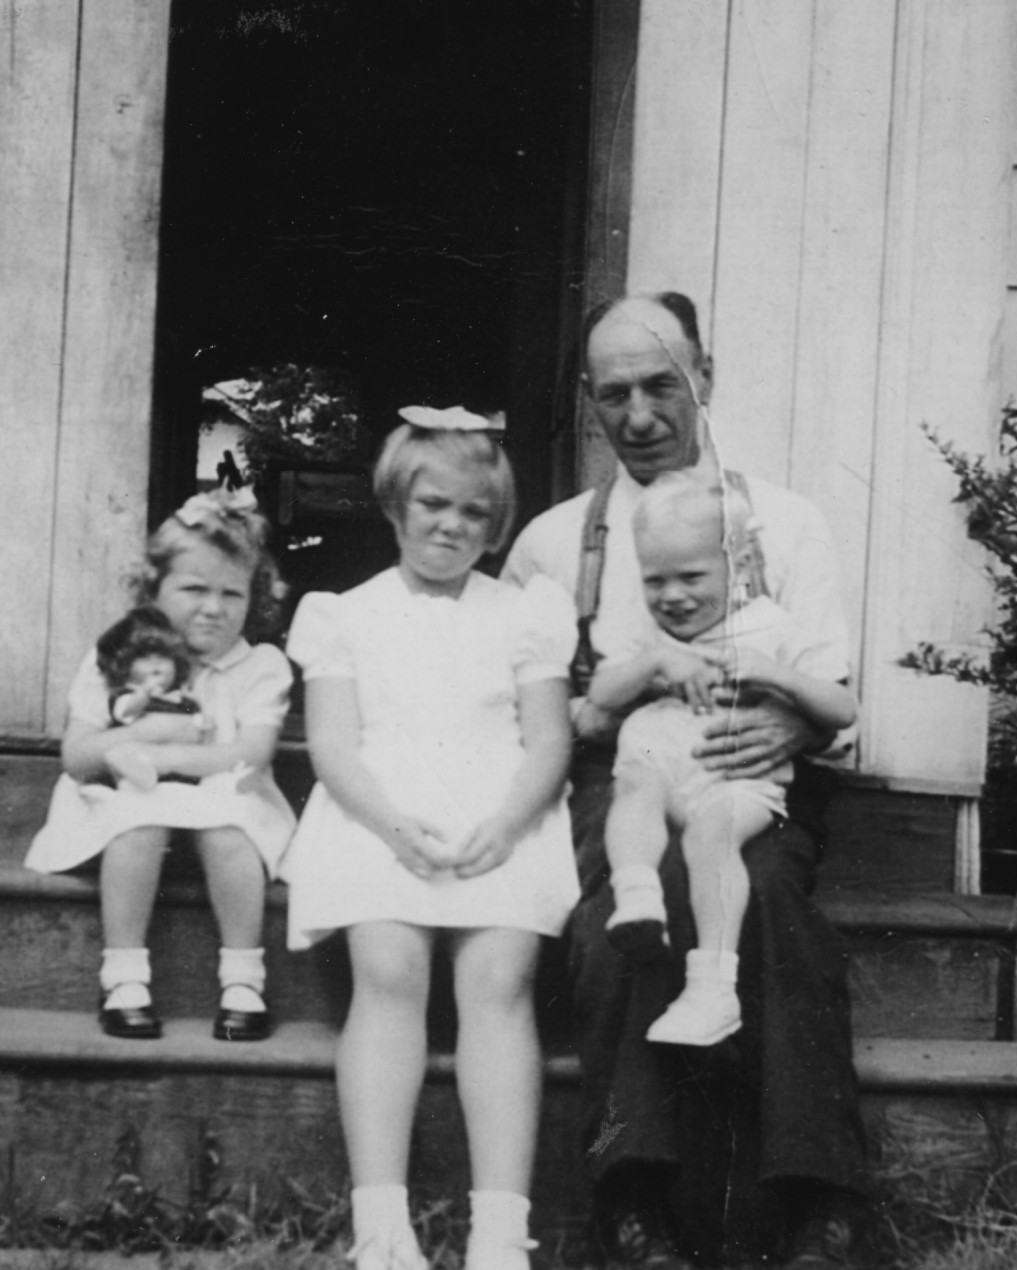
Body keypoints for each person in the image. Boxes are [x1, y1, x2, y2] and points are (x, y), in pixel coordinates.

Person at [502, 293, 868, 1270]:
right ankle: (635, 1201)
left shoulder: (783, 522)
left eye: (661, 383)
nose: (639, 412)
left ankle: (817, 1203)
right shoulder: (551, 543)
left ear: (702, 376)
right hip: (614, 771)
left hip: (752, 764)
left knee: (775, 893)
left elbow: (834, 687)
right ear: (588, 402)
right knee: (633, 901)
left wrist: (783, 715)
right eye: (612, 393)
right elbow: (514, 708)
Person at [283, 406, 578, 1270]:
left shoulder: (526, 614)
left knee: (498, 977)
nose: (451, 525)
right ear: (394, 506)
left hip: (501, 804)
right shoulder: (344, 614)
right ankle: (381, 1226)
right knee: (389, 970)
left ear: (496, 528)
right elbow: (333, 744)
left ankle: (499, 1229)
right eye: (433, 505)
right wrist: (392, 826)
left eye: (474, 514)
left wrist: (508, 825)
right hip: (380, 808)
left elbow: (550, 740)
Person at [588, 470, 858, 1048]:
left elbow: (841, 708)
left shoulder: (771, 629)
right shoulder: (649, 635)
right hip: (659, 772)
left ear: (736, 566)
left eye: (691, 576)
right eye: (654, 580)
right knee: (633, 792)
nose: (672, 596)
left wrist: (774, 674)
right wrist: (657, 663)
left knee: (711, 839)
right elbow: (600, 697)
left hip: (734, 782)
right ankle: (637, 901)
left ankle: (711, 990)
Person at [26, 487, 295, 1043]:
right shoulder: (118, 657)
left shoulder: (260, 666)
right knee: (138, 820)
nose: (213, 608)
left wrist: (167, 756)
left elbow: (251, 752)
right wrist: (144, 734)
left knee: (230, 824)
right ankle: (124, 978)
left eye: (232, 593)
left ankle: (243, 979)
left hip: (225, 793)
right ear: (153, 589)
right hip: (130, 796)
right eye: (194, 588)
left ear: (256, 598)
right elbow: (77, 756)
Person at [96, 606, 201, 731]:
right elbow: (125, 713)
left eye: (164, 656)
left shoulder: (181, 701)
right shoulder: (126, 696)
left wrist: (198, 717)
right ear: (125, 666)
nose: (156, 663)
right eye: (144, 657)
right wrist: (144, 694)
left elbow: (193, 716)